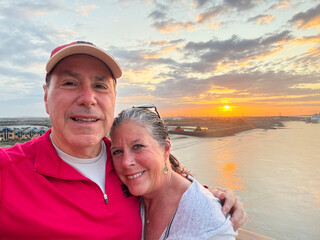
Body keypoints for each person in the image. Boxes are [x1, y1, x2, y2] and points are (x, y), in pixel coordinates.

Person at [0, 41, 246, 239]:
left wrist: (213, 200)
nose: (88, 98)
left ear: (114, 97)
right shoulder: (7, 173)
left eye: (100, 85)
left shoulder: (125, 164)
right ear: (46, 97)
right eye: (70, 83)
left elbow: (168, 187)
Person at [110, 106, 238, 239]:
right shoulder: (130, 198)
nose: (126, 162)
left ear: (166, 149)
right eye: (117, 152)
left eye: (138, 146)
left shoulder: (209, 219)